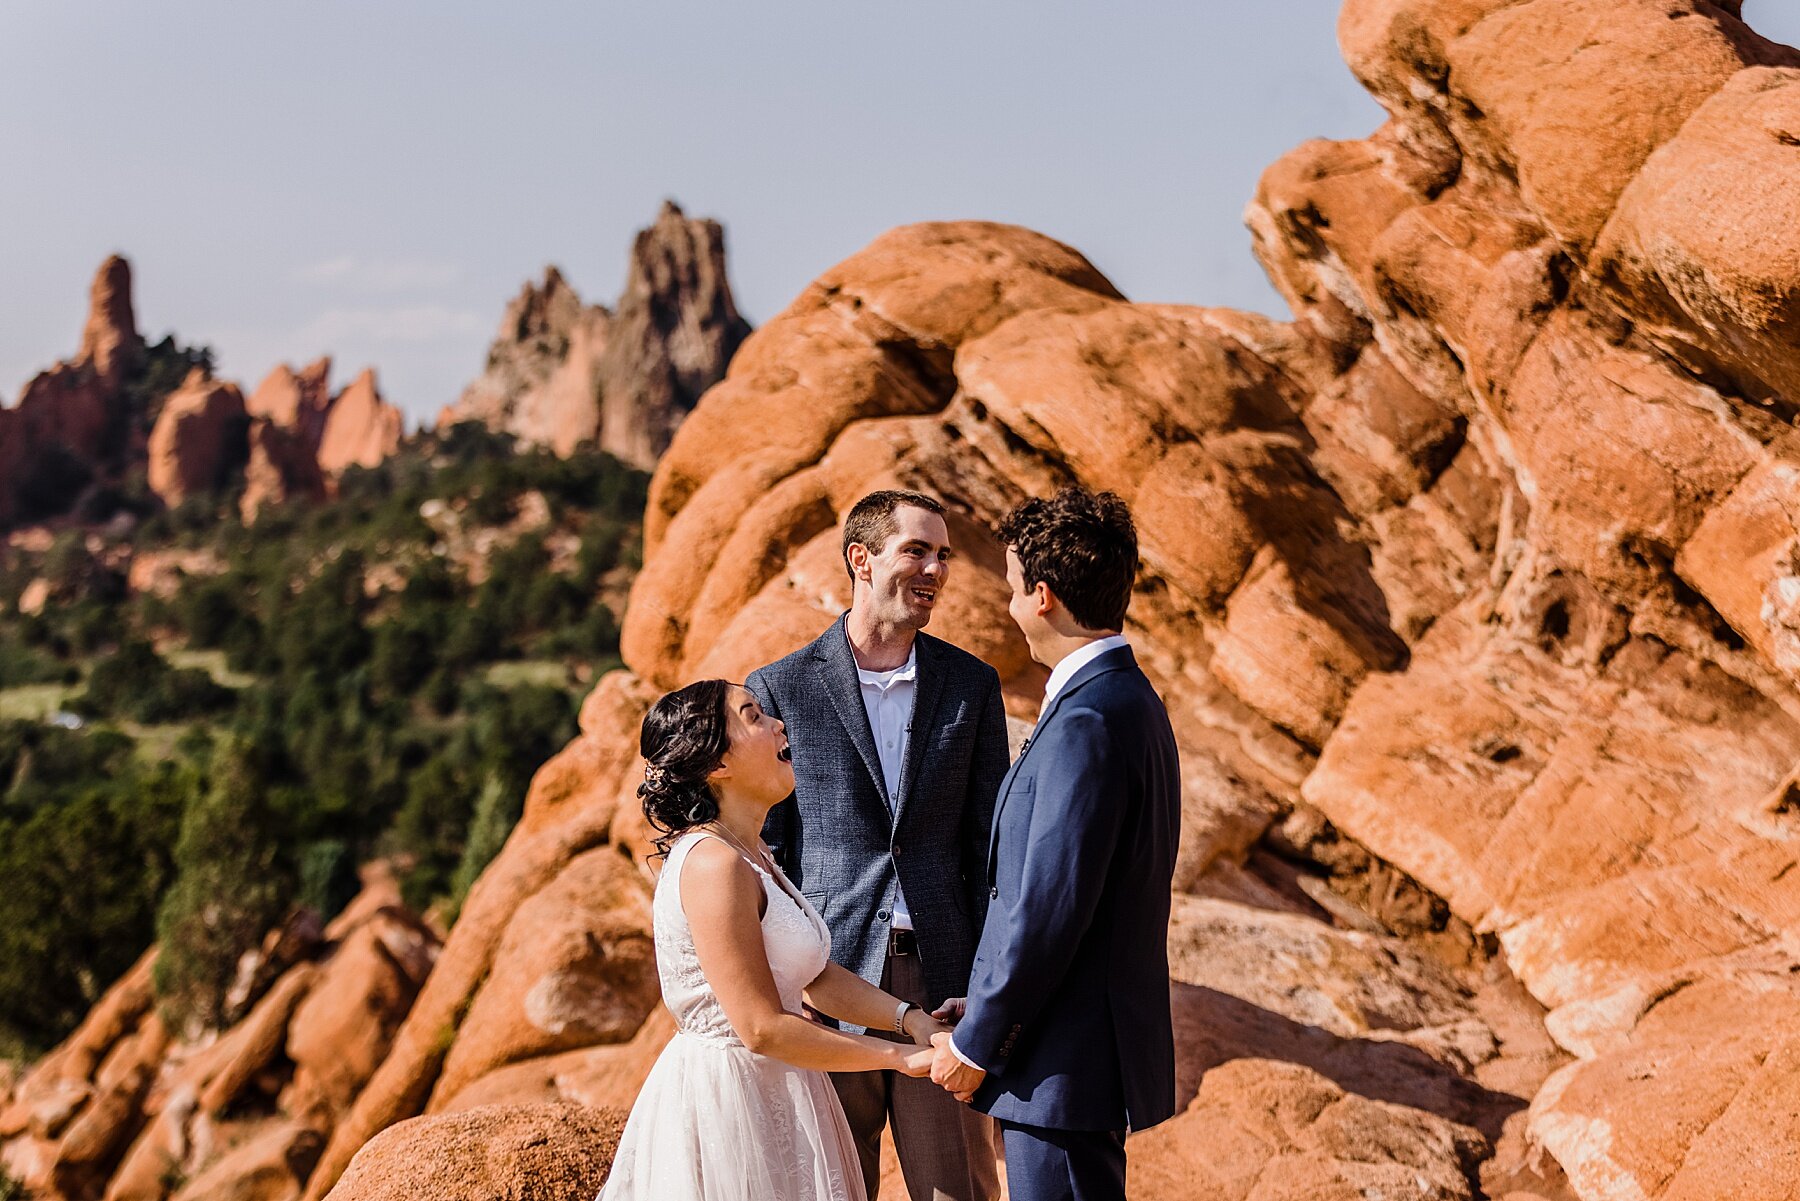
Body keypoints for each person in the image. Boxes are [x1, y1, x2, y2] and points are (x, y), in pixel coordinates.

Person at [747, 489, 1009, 1201]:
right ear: (861, 560)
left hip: (943, 990)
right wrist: (783, 982)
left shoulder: (972, 685)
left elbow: (991, 850)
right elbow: (764, 858)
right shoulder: (781, 688)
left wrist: (983, 982)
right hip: (825, 986)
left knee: (958, 1189)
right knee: (833, 1186)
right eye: (916, 550)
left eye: (944, 555)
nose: (935, 568)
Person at [928, 487, 1181, 1201]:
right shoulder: (1130, 701)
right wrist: (978, 1002)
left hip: (1058, 1069)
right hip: (1068, 1058)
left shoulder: (1087, 722)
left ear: (1042, 596)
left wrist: (980, 1042)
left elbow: (1048, 908)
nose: (1009, 607)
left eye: (1011, 589)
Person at [599, 679, 944, 1201]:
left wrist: (910, 1020)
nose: (779, 724)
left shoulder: (750, 850)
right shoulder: (715, 865)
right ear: (717, 763)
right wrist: (897, 1058)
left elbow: (814, 978)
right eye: (754, 716)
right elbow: (760, 1027)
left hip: (782, 1088)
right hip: (730, 1106)